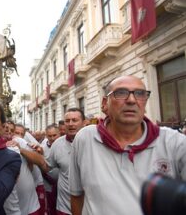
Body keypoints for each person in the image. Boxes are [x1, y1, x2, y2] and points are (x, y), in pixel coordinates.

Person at [69, 75, 186, 215]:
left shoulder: (174, 142)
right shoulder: (85, 138)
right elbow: (76, 195)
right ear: (105, 103)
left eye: (140, 94)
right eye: (121, 93)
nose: (131, 100)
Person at [46, 108, 85, 215]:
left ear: (84, 123)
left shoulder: (95, 142)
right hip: (64, 208)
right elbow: (47, 166)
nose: (70, 124)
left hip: (89, 207)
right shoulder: (57, 144)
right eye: (67, 121)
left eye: (74, 120)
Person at [41, 124, 60, 215]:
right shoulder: (42, 149)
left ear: (59, 134)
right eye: (49, 136)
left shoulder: (66, 145)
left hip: (63, 186)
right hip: (48, 186)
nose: (52, 138)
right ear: (46, 136)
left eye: (54, 135)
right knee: (51, 209)